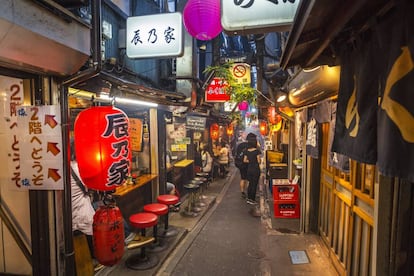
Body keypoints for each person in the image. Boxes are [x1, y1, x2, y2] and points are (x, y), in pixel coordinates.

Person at [243, 133, 262, 205]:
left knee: (250, 184)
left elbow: (244, 160)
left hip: (249, 169)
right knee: (254, 184)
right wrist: (255, 160)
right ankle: (252, 199)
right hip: (255, 169)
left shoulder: (246, 151)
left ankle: (248, 198)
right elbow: (259, 161)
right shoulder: (257, 151)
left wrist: (250, 161)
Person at [234, 133, 249, 198]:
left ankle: (242, 191)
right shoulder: (249, 145)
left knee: (243, 178)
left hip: (240, 164)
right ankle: (247, 190)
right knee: (248, 178)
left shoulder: (239, 145)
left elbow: (236, 153)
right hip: (247, 164)